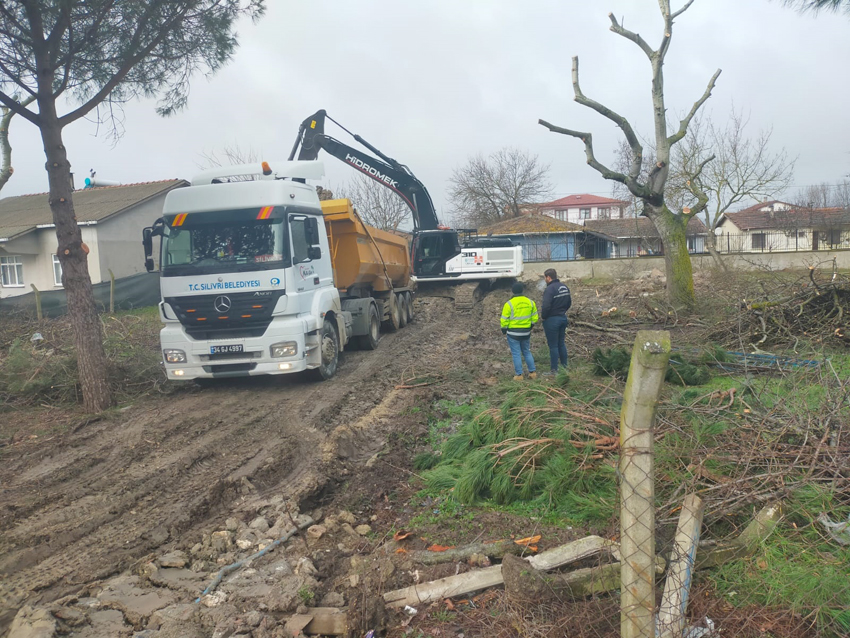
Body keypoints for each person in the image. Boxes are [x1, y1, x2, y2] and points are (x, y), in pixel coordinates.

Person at [500, 282, 538, 381]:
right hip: (526, 332)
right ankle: (532, 372)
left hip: (513, 333)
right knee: (526, 351)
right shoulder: (530, 302)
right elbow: (535, 318)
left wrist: (504, 329)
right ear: (522, 290)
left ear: (513, 291)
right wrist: (530, 327)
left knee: (516, 353)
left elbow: (504, 319)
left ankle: (519, 375)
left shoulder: (509, 304)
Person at [540, 268, 572, 375]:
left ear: (548, 277)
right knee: (561, 343)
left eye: (545, 277)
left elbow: (546, 306)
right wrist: (562, 311)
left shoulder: (549, 289)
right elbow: (569, 302)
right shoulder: (564, 287)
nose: (545, 280)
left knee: (553, 346)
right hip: (563, 318)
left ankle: (554, 370)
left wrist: (544, 317)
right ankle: (564, 367)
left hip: (552, 320)